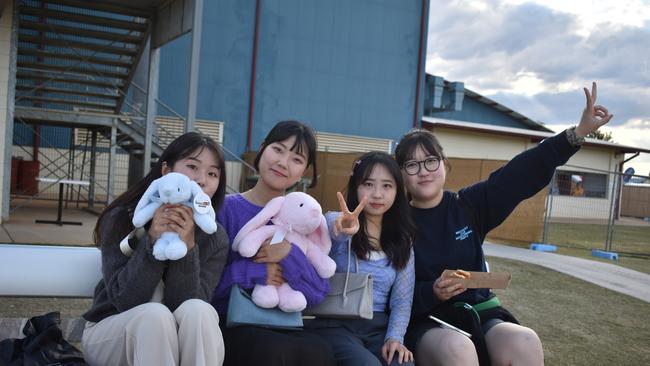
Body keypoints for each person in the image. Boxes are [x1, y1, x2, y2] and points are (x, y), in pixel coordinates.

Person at [395, 82, 613, 366]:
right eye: (412, 165)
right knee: (457, 348)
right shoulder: (394, 222)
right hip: (427, 321)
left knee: (525, 340)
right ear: (401, 175)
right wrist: (432, 291)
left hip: (477, 313)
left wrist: (578, 133)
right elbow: (387, 289)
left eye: (430, 161)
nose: (423, 171)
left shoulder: (467, 206)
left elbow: (520, 173)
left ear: (444, 165)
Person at [82, 132, 230, 366]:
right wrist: (152, 239)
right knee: (154, 315)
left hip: (174, 340)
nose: (202, 180)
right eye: (192, 166)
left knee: (199, 311)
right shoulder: (123, 218)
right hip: (114, 332)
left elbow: (187, 303)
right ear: (166, 172)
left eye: (212, 174)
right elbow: (125, 300)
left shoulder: (216, 237)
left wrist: (188, 247)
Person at [211, 120, 336, 366]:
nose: (283, 163)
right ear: (262, 148)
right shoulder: (225, 210)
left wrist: (289, 254)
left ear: (304, 171)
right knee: (269, 351)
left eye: (297, 159)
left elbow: (318, 293)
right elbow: (206, 287)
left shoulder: (304, 219)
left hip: (285, 323)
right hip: (233, 322)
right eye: (278, 149)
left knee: (321, 352)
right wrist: (256, 271)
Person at [307, 151, 416, 366]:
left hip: (378, 328)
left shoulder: (403, 240)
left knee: (403, 364)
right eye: (368, 184)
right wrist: (342, 230)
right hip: (335, 325)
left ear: (397, 192)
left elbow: (402, 300)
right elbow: (333, 228)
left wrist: (395, 338)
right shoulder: (335, 221)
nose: (377, 194)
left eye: (387, 186)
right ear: (356, 186)